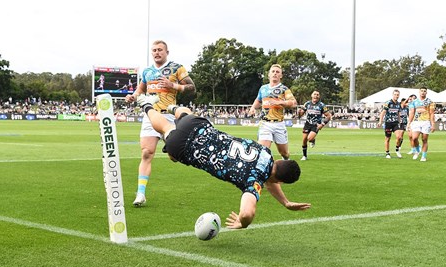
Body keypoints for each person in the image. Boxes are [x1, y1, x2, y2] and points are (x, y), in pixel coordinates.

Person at [136, 97, 311, 229]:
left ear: (280, 161)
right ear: (280, 181)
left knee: (184, 115)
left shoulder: (265, 152)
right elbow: (248, 213)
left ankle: (171, 108)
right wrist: (242, 223)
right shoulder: (254, 181)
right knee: (167, 131)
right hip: (187, 147)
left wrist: (285, 202)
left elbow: (269, 175)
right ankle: (147, 105)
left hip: (201, 126)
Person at [125, 40, 196, 207]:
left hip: (169, 117)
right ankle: (141, 194)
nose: (157, 53)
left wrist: (174, 85)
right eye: (154, 50)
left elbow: (192, 88)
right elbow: (141, 90)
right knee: (146, 153)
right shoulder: (147, 72)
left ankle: (170, 147)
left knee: (174, 157)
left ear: (167, 52)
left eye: (160, 50)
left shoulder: (177, 68)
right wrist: (133, 97)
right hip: (150, 115)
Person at [248, 64, 298, 160]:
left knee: (285, 153)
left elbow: (294, 103)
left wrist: (280, 102)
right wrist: (253, 108)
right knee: (263, 151)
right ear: (269, 75)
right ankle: (265, 172)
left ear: (281, 76)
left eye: (277, 72)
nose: (275, 73)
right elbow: (258, 100)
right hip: (265, 123)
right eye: (273, 71)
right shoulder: (263, 88)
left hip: (279, 124)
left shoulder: (284, 89)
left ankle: (285, 162)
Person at [296, 90, 332, 161]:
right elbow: (301, 114)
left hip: (316, 125)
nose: (316, 96)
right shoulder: (307, 104)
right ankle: (304, 156)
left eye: (317, 94)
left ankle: (312, 140)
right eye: (314, 94)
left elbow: (328, 116)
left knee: (309, 138)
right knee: (304, 140)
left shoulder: (322, 105)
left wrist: (322, 124)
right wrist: (299, 113)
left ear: (319, 96)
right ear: (311, 96)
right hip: (307, 124)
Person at [407, 87, 435, 161]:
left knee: (424, 139)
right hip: (416, 121)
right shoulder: (414, 102)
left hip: (426, 122)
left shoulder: (430, 102)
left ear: (426, 92)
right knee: (414, 138)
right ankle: (417, 150)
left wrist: (433, 124)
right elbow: (411, 113)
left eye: (424, 91)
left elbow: (431, 113)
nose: (423, 92)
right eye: (421, 91)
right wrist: (409, 123)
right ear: (419, 92)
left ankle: (423, 156)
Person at [377, 90, 402, 158]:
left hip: (395, 122)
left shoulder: (398, 104)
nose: (396, 96)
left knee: (399, 137)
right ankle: (387, 153)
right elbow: (383, 113)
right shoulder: (388, 103)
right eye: (395, 94)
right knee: (388, 138)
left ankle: (397, 149)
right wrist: (380, 121)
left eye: (397, 95)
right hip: (388, 123)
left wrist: (400, 121)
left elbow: (399, 114)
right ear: (393, 95)